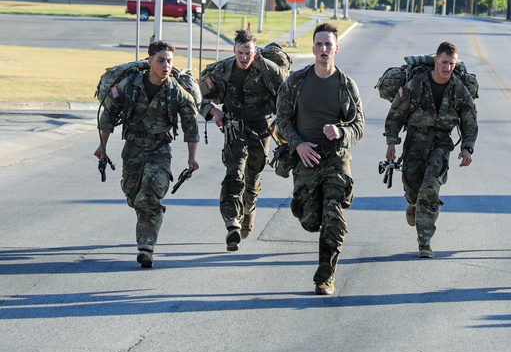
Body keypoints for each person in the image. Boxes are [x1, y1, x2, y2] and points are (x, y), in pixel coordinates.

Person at [274, 23, 364, 295]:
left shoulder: (346, 86)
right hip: (306, 158)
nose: (324, 49)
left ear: (337, 48)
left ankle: (325, 277)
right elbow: (281, 121)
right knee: (311, 219)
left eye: (329, 44)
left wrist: (341, 131)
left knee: (333, 215)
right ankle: (312, 213)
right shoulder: (296, 82)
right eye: (319, 44)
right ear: (313, 48)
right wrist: (298, 144)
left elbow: (359, 126)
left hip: (336, 159)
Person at [94, 41, 200, 269]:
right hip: (132, 147)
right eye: (161, 60)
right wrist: (102, 146)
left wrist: (192, 157)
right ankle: (143, 217)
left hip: (159, 149)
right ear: (150, 61)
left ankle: (146, 248)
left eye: (169, 61)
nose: (166, 65)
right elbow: (109, 116)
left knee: (150, 196)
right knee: (133, 194)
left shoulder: (176, 91)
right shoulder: (129, 85)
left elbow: (191, 125)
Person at [384, 41, 478, 258]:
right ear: (436, 60)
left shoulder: (459, 89)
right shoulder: (416, 84)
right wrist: (391, 142)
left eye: (452, 64)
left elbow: (469, 121)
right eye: (444, 62)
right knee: (412, 186)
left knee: (430, 187)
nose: (448, 68)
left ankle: (424, 242)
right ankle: (413, 203)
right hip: (414, 141)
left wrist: (467, 148)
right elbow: (397, 113)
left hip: (441, 143)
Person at [199, 28, 287, 251]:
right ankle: (232, 225)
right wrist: (213, 112)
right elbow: (197, 98)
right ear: (234, 51)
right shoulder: (222, 71)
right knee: (234, 172)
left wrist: (284, 125)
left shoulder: (270, 71)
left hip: (261, 127)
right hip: (235, 125)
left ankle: (249, 210)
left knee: (253, 174)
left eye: (249, 52)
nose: (245, 57)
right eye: (241, 53)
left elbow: (289, 98)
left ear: (255, 52)